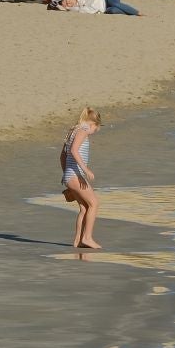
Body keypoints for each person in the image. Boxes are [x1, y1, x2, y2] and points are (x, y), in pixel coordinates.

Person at [61, 107, 102, 250]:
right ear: (93, 124)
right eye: (96, 129)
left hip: (70, 175)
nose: (93, 133)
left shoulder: (73, 131)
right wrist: (86, 170)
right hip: (75, 175)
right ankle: (87, 238)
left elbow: (63, 155)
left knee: (84, 208)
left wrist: (65, 174)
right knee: (94, 203)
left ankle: (78, 240)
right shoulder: (83, 130)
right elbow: (73, 150)